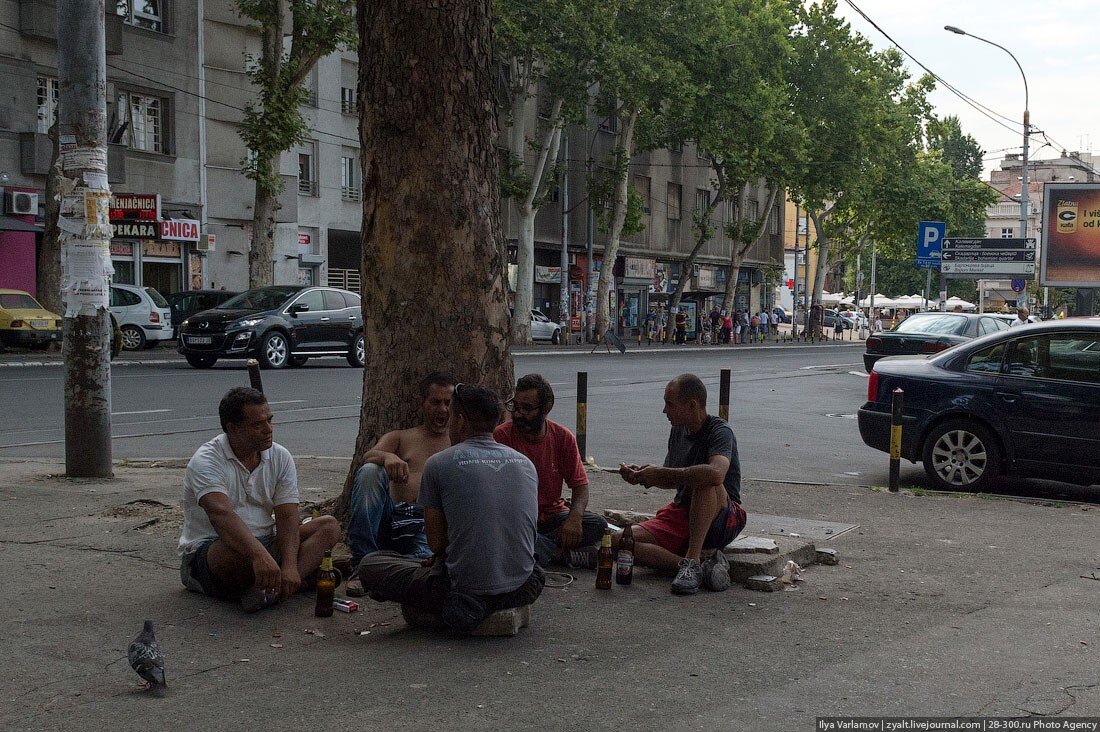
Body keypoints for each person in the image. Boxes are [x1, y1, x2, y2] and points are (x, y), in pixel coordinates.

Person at [356, 384, 545, 633]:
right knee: (536, 573)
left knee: (370, 565)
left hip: (463, 586)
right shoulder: (525, 464)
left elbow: (436, 544)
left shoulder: (439, 464)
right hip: (522, 585)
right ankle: (489, 606)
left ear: (461, 421)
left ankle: (466, 609)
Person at [178, 387, 341, 612]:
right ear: (232, 429)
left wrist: (292, 567)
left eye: (270, 420)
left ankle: (280, 586)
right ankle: (288, 581)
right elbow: (222, 517)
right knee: (231, 556)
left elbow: (287, 515)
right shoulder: (206, 461)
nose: (268, 430)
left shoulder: (280, 456)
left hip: (267, 541)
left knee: (329, 526)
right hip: (217, 549)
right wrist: (260, 557)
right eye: (257, 425)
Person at [613, 375, 747, 596]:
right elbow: (672, 477)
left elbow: (716, 474)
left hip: (723, 516)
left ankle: (693, 559)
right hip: (685, 511)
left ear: (692, 405)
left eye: (670, 404)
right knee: (621, 542)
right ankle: (692, 567)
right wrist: (645, 476)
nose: (665, 411)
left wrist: (661, 472)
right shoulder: (678, 430)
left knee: (704, 479)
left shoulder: (720, 431)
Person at [345, 373, 454, 595]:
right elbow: (369, 456)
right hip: (392, 519)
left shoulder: (459, 440)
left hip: (428, 526)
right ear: (423, 403)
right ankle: (362, 562)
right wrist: (388, 458)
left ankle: (382, 573)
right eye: (435, 402)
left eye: (448, 403)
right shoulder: (403, 437)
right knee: (369, 471)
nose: (442, 409)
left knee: (419, 570)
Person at [495, 374, 608, 567]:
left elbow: (580, 486)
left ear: (546, 409)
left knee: (597, 525)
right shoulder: (501, 437)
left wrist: (575, 518)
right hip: (516, 519)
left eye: (527, 408)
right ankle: (560, 556)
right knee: (499, 534)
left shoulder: (562, 437)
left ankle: (535, 551)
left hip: (551, 518)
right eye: (515, 406)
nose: (518, 414)